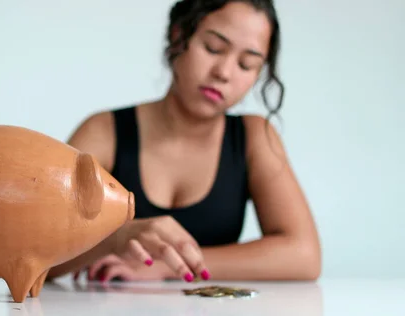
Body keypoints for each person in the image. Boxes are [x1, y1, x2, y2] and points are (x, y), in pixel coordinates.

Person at [47, 0, 321, 283]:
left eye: (246, 64)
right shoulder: (104, 131)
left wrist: (168, 264)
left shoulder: (254, 137)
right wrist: (115, 240)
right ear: (178, 36)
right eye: (213, 48)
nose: (224, 73)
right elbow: (36, 249)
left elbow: (304, 255)